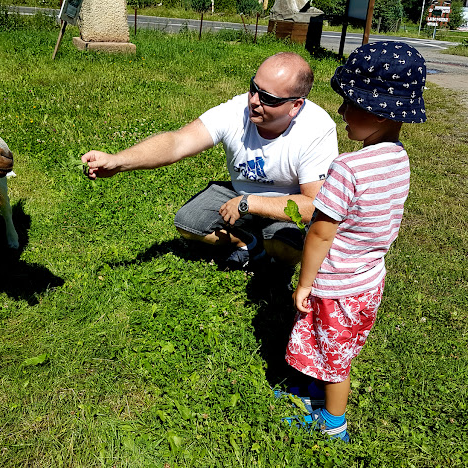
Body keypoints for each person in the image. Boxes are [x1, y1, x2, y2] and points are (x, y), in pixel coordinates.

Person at [283, 41, 427, 442]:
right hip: (367, 281)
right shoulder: (398, 157)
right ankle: (316, 390)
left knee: (335, 360)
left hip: (336, 285)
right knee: (333, 345)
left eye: (351, 103)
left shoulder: (347, 167)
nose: (343, 112)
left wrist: (306, 282)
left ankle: (333, 423)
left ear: (380, 111)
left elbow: (320, 231)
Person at [82, 52, 338, 270]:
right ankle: (250, 244)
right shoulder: (237, 111)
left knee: (287, 250)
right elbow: (178, 142)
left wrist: (252, 203)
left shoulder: (316, 128)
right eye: (253, 88)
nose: (254, 101)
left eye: (268, 98)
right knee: (188, 223)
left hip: (285, 203)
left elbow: (315, 205)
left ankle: (265, 248)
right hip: (241, 191)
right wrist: (118, 161)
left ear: (295, 106)